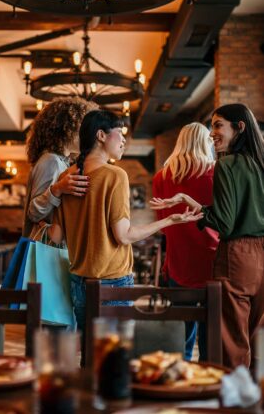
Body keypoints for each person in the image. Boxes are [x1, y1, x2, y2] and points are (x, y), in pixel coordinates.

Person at [49, 110, 203, 349]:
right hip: (112, 282)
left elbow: (55, 236)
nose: (123, 140)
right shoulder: (115, 176)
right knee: (114, 357)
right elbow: (124, 235)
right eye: (119, 134)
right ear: (101, 135)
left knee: (90, 353)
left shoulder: (65, 177)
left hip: (78, 280)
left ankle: (89, 387)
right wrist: (169, 221)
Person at [150, 104, 264, 368]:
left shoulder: (224, 165)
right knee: (249, 336)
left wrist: (197, 211)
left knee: (228, 342)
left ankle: (211, 395)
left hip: (221, 260)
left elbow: (223, 222)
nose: (212, 133)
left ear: (239, 128)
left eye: (217, 125)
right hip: (240, 260)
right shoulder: (252, 164)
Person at [152, 122, 219, 361]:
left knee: (181, 335)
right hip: (213, 263)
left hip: (178, 263)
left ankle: (178, 381)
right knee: (211, 333)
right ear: (205, 142)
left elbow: (163, 225)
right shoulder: (216, 172)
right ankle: (207, 384)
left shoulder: (162, 177)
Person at [22, 97, 96, 238]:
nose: (87, 136)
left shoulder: (60, 161)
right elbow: (34, 213)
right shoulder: (52, 160)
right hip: (46, 249)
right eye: (83, 129)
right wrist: (58, 189)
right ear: (67, 129)